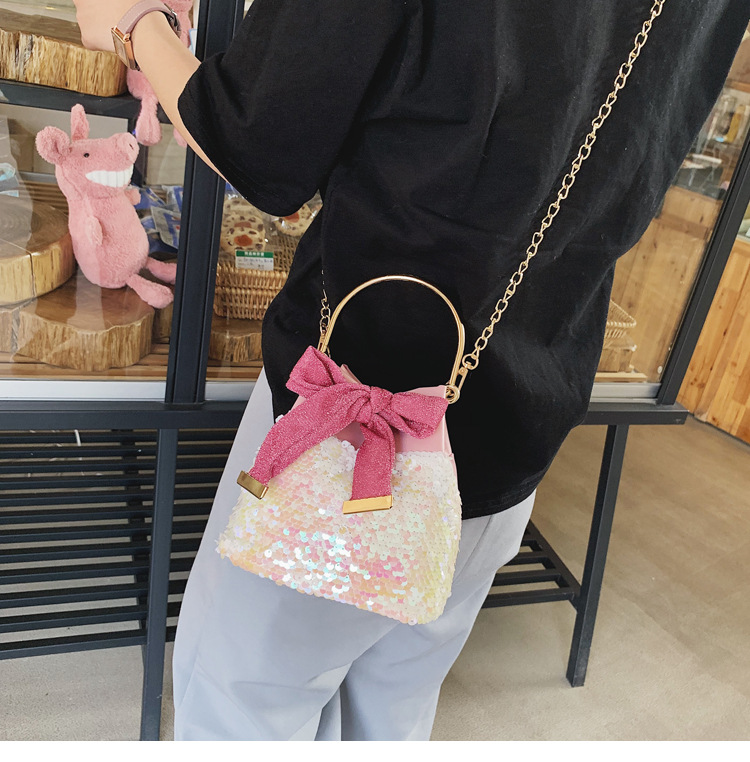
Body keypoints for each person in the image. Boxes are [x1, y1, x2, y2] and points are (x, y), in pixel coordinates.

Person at [75, 0, 749, 741]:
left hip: (344, 423)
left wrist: (133, 22)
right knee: (391, 708)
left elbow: (255, 143)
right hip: (522, 403)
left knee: (244, 706)